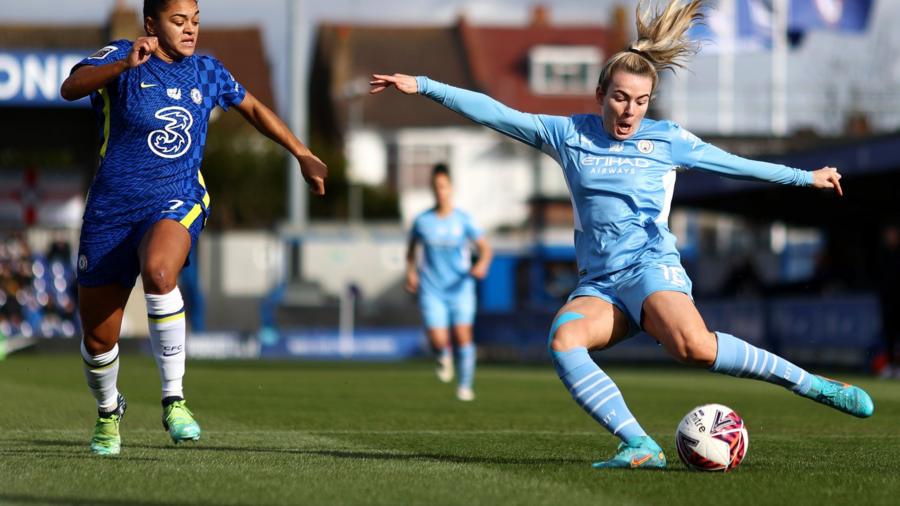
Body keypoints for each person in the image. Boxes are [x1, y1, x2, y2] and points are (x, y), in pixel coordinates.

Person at [371, 0, 873, 469]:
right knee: (564, 339)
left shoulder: (668, 140)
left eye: (640, 100)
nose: (630, 111)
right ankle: (639, 443)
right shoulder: (568, 135)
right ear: (600, 95)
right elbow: (498, 113)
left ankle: (813, 385)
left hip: (651, 269)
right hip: (600, 284)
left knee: (694, 349)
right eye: (620, 98)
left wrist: (804, 178)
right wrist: (426, 84)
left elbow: (739, 165)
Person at [60, 0, 327, 455]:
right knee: (98, 338)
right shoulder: (122, 57)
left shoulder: (208, 71)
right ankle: (109, 412)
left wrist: (301, 153)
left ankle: (174, 400)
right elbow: (70, 87)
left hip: (177, 197)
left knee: (161, 272)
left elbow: (256, 109)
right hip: (112, 210)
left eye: (196, 22)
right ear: (151, 23)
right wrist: (125, 62)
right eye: (178, 21)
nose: (190, 30)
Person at [405, 164, 492, 401]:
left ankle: (465, 386)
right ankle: (443, 356)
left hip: (460, 289)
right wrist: (411, 272)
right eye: (435, 186)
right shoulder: (422, 221)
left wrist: (482, 264)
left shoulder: (463, 220)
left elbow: (485, 249)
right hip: (432, 289)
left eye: (443, 186)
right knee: (438, 340)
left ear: (450, 188)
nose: (439, 191)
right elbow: (412, 250)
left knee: (463, 336)